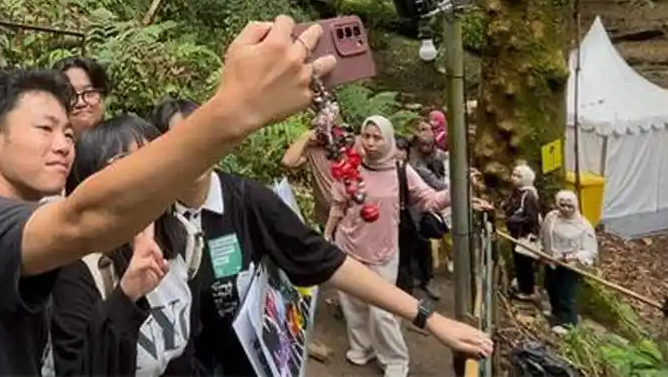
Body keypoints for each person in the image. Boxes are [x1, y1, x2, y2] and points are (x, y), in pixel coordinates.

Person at [0, 16, 346, 375]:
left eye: (68, 132)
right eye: (45, 128)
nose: (64, 143)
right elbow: (84, 219)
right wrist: (236, 110)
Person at [160, 105, 493, 377]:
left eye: (203, 136)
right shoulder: (146, 217)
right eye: (181, 139)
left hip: (241, 362)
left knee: (374, 312)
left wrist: (429, 319)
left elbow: (326, 262)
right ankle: (360, 348)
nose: (196, 150)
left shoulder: (248, 202)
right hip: (173, 365)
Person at [324, 115, 479, 377]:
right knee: (352, 303)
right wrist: (328, 235)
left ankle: (394, 360)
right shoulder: (350, 166)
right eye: (367, 136)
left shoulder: (401, 171)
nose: (371, 143)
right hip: (348, 246)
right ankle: (362, 348)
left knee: (382, 310)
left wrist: (458, 189)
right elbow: (338, 205)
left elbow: (429, 200)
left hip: (383, 251)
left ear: (388, 139)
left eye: (377, 137)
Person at [46, 115, 200, 377]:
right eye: (125, 165)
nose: (146, 173)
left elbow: (184, 351)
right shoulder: (79, 267)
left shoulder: (183, 238)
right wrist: (126, 295)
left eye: (154, 157)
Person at [403, 117, 450, 300]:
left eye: (429, 144)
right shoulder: (412, 159)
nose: (425, 148)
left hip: (425, 202)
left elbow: (441, 166)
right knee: (410, 242)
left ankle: (427, 278)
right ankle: (411, 280)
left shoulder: (436, 155)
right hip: (410, 203)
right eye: (422, 144)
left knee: (424, 241)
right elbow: (427, 177)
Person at [541, 190, 596, 335]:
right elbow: (545, 234)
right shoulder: (551, 218)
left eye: (569, 206)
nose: (565, 208)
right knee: (551, 288)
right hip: (552, 261)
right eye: (562, 205)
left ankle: (568, 323)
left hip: (570, 266)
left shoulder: (583, 226)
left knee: (566, 293)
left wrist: (573, 256)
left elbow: (591, 250)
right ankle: (556, 314)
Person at [504, 162, 541, 301]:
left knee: (525, 262)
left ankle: (528, 290)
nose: (514, 178)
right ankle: (520, 283)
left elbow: (531, 218)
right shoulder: (516, 192)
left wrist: (513, 220)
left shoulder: (529, 196)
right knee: (518, 261)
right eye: (513, 174)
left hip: (525, 235)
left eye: (518, 176)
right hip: (515, 233)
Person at [54, 56, 109, 138]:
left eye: (89, 92)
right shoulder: (49, 148)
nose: (80, 103)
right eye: (70, 95)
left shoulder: (124, 143)